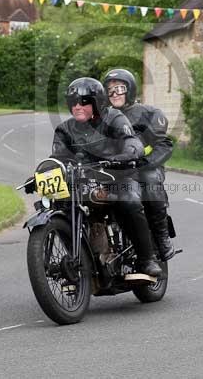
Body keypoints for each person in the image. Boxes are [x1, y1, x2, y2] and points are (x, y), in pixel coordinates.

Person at [50, 77, 163, 278]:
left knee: (130, 201)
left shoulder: (114, 118)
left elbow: (132, 142)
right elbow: (57, 158)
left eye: (83, 102)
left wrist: (124, 155)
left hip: (117, 178)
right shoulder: (65, 129)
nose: (77, 107)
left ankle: (147, 259)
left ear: (96, 102)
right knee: (60, 207)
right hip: (83, 183)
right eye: (73, 102)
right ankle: (82, 259)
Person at [103, 69, 175, 261]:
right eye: (109, 90)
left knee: (149, 180)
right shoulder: (103, 117)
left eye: (119, 88)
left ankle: (161, 237)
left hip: (145, 167)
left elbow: (164, 145)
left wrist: (146, 163)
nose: (114, 93)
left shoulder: (148, 113)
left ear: (130, 89)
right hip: (115, 171)